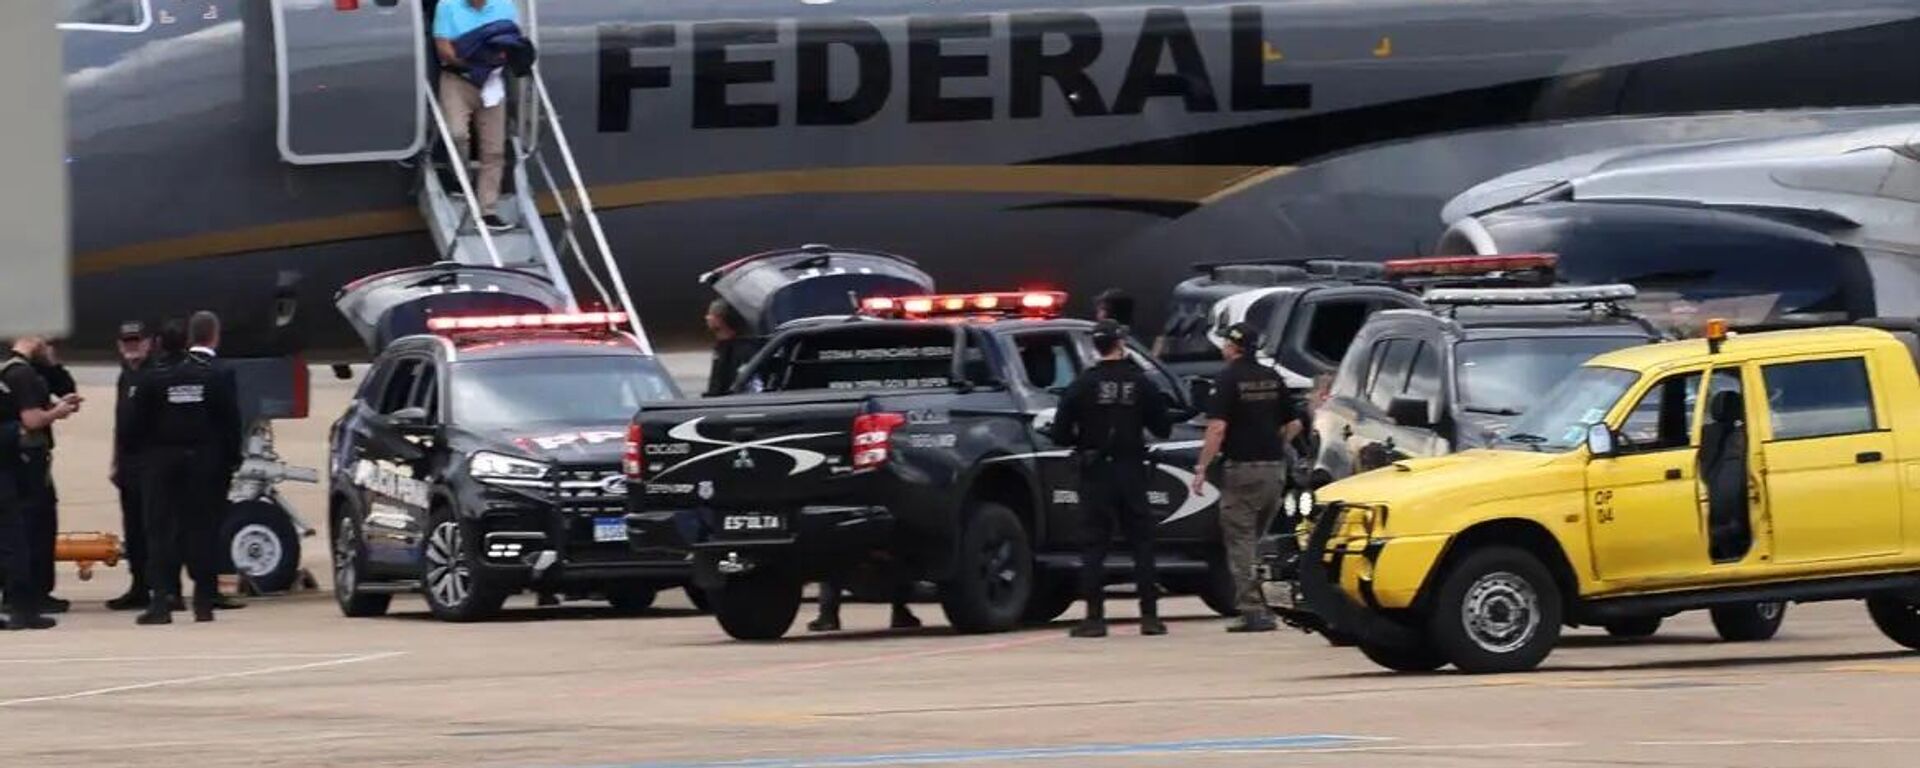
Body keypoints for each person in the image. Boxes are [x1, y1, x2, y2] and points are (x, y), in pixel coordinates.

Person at [1049, 320, 1174, 638]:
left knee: (1094, 545)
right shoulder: (1141, 383)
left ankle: (1094, 618)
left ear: (1095, 347)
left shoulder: (1081, 385)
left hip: (1095, 473)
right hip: (1132, 471)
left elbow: (1059, 434)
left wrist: (1084, 436)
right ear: (1121, 344)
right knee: (1142, 543)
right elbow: (1163, 428)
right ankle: (1150, 617)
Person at [126, 321, 242, 625]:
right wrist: (230, 459)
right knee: (202, 530)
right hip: (202, 461)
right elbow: (229, 420)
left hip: (162, 461)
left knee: (159, 531)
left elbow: (134, 424)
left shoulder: (151, 379)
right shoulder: (211, 375)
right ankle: (204, 601)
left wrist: (139, 458)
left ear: (160, 345)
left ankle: (162, 601)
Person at [1191, 322, 1301, 633]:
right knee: (1257, 541)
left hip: (1242, 470)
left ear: (1233, 347)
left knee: (1240, 541)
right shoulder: (1272, 377)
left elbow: (1217, 428)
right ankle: (1266, 601)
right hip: (1274, 470)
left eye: (1226, 343)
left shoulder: (1227, 380)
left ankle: (1253, 610)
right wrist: (1275, 443)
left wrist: (1201, 468)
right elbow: (1294, 424)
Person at [1, 337, 81, 616]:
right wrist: (57, 412)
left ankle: (31, 592)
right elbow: (31, 420)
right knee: (32, 526)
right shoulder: (21, 374)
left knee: (34, 524)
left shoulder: (21, 371)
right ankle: (27, 595)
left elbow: (62, 386)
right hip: (27, 462)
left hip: (25, 462)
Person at [433, 0, 523, 232]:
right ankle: (459, 177)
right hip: (458, 79)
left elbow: (513, 43)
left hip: (492, 82)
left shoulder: (505, 6)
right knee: (457, 135)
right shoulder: (447, 5)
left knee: (494, 150)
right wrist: (475, 62)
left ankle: (488, 210)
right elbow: (443, 47)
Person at [185, 312, 246, 610]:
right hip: (213, 462)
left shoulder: (177, 369)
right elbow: (231, 420)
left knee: (184, 524)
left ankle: (174, 589)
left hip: (181, 461)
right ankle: (208, 591)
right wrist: (235, 457)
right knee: (212, 525)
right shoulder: (221, 372)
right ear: (215, 335)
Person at [107, 321, 166, 611]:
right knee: (133, 527)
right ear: (120, 346)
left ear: (150, 343)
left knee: (153, 526)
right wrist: (115, 462)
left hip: (151, 462)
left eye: (137, 342)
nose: (132, 348)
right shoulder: (125, 377)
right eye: (127, 343)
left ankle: (162, 587)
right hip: (129, 465)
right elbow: (120, 424)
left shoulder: (155, 375)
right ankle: (139, 584)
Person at [808, 572, 921, 633]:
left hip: (856, 577)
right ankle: (900, 612)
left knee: (829, 572)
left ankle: (827, 617)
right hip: (892, 582)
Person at [704, 299, 751, 397]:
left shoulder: (739, 350)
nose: (707, 318)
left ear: (720, 319)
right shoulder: (720, 347)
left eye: (711, 314)